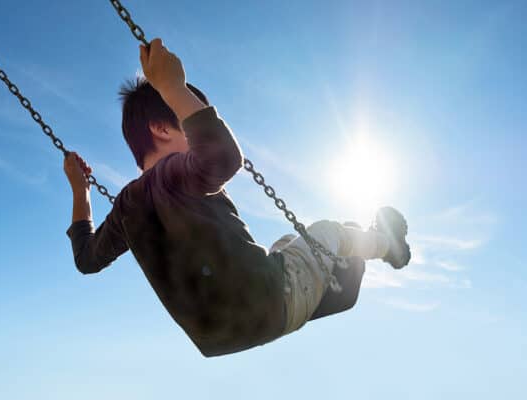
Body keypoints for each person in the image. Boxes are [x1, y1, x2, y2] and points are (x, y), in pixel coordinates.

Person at [63, 38, 411, 357]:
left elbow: (87, 258)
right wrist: (172, 87)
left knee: (291, 243)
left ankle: (337, 280)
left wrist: (81, 192)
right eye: (185, 111)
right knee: (330, 232)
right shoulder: (175, 172)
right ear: (162, 128)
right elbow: (223, 157)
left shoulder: (128, 205)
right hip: (268, 300)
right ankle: (387, 244)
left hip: (219, 336)